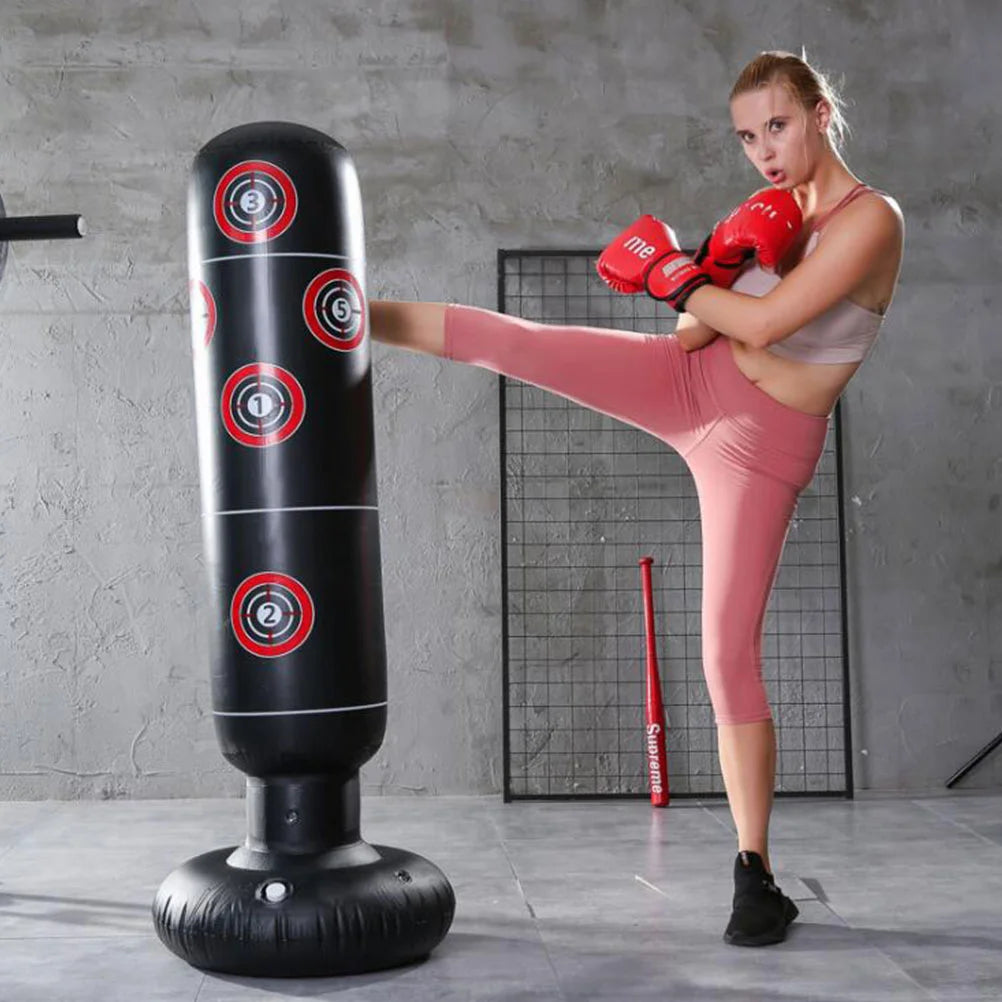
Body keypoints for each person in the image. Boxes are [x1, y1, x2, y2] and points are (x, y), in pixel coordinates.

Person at [369, 50, 904, 947]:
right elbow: (697, 331)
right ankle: (337, 306)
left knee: (724, 652)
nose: (763, 151)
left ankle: (754, 874)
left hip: (762, 446)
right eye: (745, 137)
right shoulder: (769, 214)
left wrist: (681, 273)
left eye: (776, 126)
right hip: (688, 381)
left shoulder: (871, 219)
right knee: (522, 342)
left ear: (819, 112)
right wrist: (713, 263)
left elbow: (769, 326)